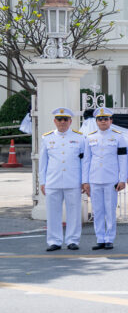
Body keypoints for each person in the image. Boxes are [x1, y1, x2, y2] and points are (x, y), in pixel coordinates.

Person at [39, 107, 86, 251]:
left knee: (74, 212)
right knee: (53, 212)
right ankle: (54, 241)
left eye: (65, 119)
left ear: (70, 121)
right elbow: (43, 162)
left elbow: (84, 161)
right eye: (59, 119)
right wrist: (42, 182)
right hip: (53, 181)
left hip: (73, 180)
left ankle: (73, 240)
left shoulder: (79, 138)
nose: (62, 122)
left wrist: (84, 180)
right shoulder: (47, 138)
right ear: (54, 121)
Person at [83, 106, 127, 250]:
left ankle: (109, 238)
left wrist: (122, 179)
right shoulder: (90, 137)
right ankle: (100, 238)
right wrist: (85, 181)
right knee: (97, 210)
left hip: (111, 179)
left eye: (106, 119)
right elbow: (87, 161)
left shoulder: (118, 136)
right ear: (96, 121)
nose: (103, 121)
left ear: (111, 120)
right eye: (100, 119)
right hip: (95, 178)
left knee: (110, 210)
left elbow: (122, 159)